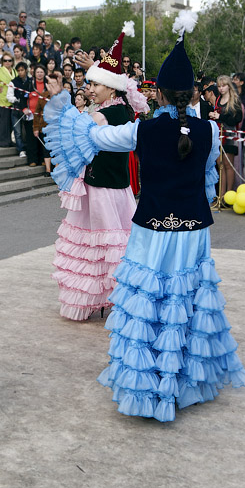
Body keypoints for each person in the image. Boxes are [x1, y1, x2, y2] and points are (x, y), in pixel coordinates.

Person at [44, 12, 245, 421]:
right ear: (192, 92)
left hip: (151, 226)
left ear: (158, 94)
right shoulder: (210, 131)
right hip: (193, 229)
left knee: (147, 301)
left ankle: (147, 384)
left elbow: (93, 137)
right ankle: (184, 382)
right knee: (186, 300)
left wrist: (63, 104)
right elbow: (206, 176)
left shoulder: (142, 130)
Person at [51, 27, 147, 321]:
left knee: (102, 246)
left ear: (111, 87)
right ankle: (112, 299)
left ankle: (109, 299)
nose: (90, 89)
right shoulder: (119, 108)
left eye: (95, 84)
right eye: (89, 84)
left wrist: (59, 101)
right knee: (109, 245)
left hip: (104, 188)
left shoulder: (106, 114)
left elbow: (74, 133)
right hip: (112, 187)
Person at [210, 75, 242, 202]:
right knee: (220, 164)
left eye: (223, 86)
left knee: (229, 165)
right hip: (218, 135)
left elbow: (236, 119)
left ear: (229, 86)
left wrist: (219, 117)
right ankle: (221, 195)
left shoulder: (234, 100)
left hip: (229, 135)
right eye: (219, 86)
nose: (221, 88)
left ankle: (229, 195)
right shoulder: (218, 99)